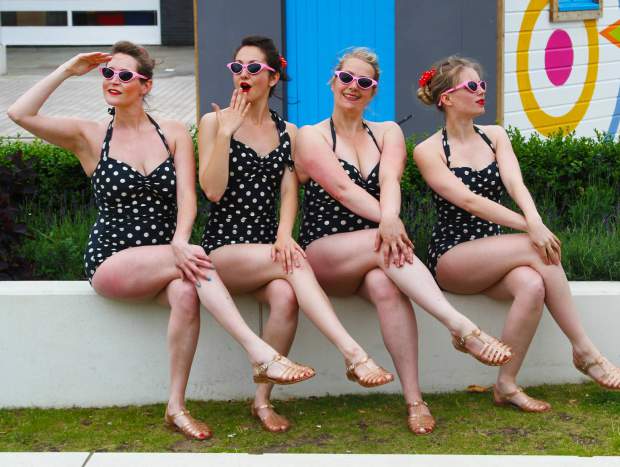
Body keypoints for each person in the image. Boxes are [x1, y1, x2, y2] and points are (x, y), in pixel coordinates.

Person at [7, 40, 315, 440]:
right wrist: (68, 69)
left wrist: (180, 241)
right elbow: (19, 113)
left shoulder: (172, 132)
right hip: (113, 258)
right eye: (108, 73)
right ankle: (259, 352)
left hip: (171, 256)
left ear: (146, 85)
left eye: (124, 75)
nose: (113, 80)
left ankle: (176, 407)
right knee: (195, 260)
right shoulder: (90, 135)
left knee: (186, 293)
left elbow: (188, 198)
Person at [295, 48, 513, 435]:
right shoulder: (311, 135)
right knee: (383, 244)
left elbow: (389, 181)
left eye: (364, 82)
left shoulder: (387, 132)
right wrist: (388, 221)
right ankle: (461, 327)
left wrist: (390, 218)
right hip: (327, 251)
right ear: (333, 81)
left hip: (379, 248)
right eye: (346, 78)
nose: (353, 87)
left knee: (387, 287)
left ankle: (414, 400)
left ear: (374, 91)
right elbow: (343, 190)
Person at [199, 36, 395, 432]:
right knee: (294, 266)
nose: (243, 74)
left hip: (268, 248)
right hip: (225, 248)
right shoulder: (214, 122)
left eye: (253, 68)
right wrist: (225, 135)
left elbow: (289, 191)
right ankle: (353, 354)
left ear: (273, 78)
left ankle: (261, 401)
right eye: (237, 67)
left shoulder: (288, 131)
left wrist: (285, 234)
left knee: (285, 297)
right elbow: (213, 191)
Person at [413, 55, 620, 412]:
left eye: (482, 84)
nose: (481, 91)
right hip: (453, 256)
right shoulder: (428, 150)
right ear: (447, 98)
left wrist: (535, 220)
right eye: (472, 86)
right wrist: (529, 228)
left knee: (532, 284)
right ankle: (585, 351)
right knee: (536, 248)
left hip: (496, 252)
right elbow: (469, 201)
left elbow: (515, 183)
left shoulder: (495, 136)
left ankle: (506, 384)